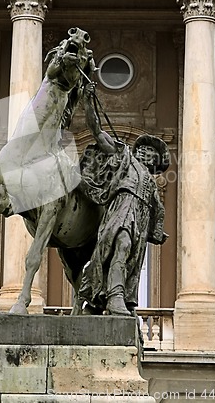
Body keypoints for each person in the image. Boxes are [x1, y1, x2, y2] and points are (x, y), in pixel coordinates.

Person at [78, 83, 170, 316]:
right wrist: (89, 102)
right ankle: (115, 297)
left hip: (139, 218)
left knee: (129, 259)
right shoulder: (124, 158)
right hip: (121, 209)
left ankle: (102, 300)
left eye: (150, 153)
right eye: (143, 149)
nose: (145, 153)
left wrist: (157, 232)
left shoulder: (151, 183)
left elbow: (157, 211)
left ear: (155, 162)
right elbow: (98, 132)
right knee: (121, 244)